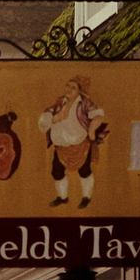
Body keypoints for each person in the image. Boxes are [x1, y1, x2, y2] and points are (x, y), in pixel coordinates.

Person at [36, 75, 110, 208]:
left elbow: (98, 115)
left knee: (84, 171)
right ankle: (62, 197)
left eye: (73, 88)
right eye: (68, 86)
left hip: (80, 145)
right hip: (61, 148)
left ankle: (86, 197)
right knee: (57, 172)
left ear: (79, 91)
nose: (69, 90)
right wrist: (53, 119)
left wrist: (92, 129)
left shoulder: (85, 103)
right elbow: (45, 117)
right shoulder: (59, 102)